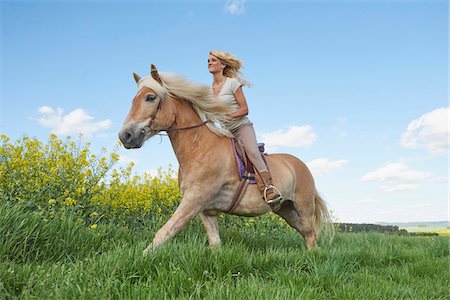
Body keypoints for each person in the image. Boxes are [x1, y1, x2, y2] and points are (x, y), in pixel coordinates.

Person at [208, 50, 283, 205]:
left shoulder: (232, 83)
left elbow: (244, 110)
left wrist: (227, 117)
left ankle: (269, 188)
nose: (209, 62)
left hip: (241, 127)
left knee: (252, 152)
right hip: (225, 132)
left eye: (214, 60)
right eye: (208, 60)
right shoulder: (209, 90)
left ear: (223, 65)